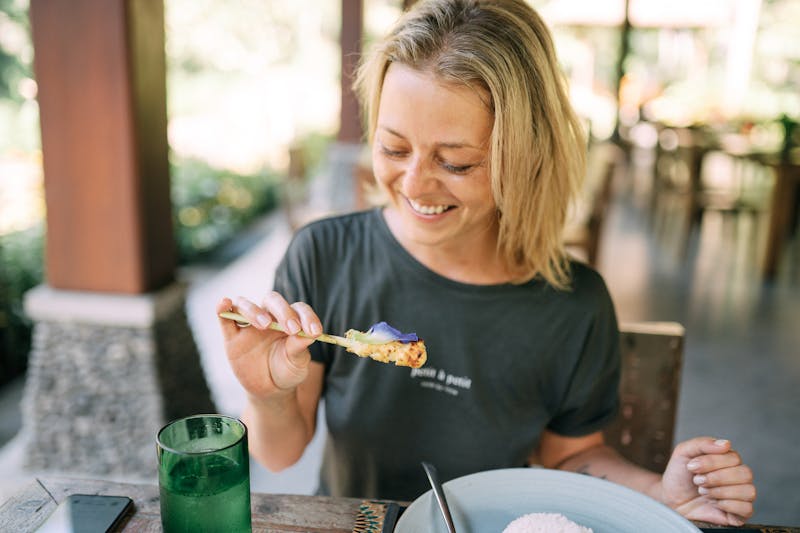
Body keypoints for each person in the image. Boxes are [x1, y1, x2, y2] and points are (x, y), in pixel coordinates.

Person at [217, 0, 755, 526]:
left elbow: (571, 457)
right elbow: (280, 455)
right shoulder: (324, 255)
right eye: (393, 148)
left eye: (456, 162)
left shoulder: (573, 304)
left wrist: (659, 493)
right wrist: (267, 394)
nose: (415, 185)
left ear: (524, 156)